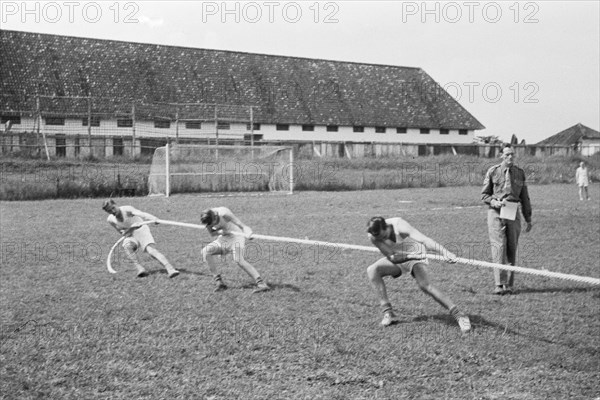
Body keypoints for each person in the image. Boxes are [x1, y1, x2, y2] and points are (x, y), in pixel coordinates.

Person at [366, 216, 471, 333]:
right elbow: (392, 257)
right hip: (401, 258)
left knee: (425, 285)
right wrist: (410, 256)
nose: (382, 239)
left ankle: (460, 316)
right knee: (372, 270)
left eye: (384, 236)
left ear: (386, 226)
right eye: (379, 238)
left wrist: (444, 252)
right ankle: (388, 313)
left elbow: (424, 240)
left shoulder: (399, 226)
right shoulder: (374, 236)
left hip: (416, 253)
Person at [481, 144, 532, 295]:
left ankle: (508, 284)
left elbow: (525, 197)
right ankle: (499, 284)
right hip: (496, 212)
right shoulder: (493, 171)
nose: (510, 157)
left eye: (512, 155)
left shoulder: (520, 173)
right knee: (499, 247)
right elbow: (484, 195)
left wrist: (528, 218)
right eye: (507, 154)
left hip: (512, 211)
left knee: (511, 247)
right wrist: (495, 202)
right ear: (501, 156)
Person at [200, 207, 270, 293]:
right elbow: (212, 233)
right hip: (224, 237)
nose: (210, 225)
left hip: (237, 237)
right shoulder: (208, 219)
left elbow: (242, 225)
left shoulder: (224, 214)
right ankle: (219, 282)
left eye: (211, 223)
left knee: (238, 260)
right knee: (206, 251)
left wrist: (248, 233)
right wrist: (221, 232)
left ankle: (261, 284)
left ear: (214, 216)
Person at [103, 199, 179, 278]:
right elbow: (123, 233)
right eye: (109, 211)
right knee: (127, 246)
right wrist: (132, 228)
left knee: (150, 250)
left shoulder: (127, 210)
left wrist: (153, 218)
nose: (113, 211)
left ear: (116, 204)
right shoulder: (111, 220)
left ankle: (170, 269)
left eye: (113, 208)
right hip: (130, 233)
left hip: (141, 229)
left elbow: (142, 214)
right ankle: (140, 269)